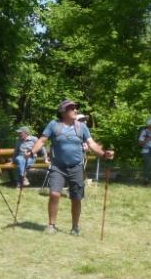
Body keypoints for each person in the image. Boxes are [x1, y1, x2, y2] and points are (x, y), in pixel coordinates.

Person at [30, 99, 114, 236]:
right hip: (58, 167)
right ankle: (51, 225)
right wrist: (31, 152)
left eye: (75, 108)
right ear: (63, 112)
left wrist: (104, 154)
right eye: (72, 108)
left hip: (76, 167)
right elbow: (42, 140)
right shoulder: (54, 125)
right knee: (54, 194)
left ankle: (75, 227)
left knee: (76, 197)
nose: (75, 110)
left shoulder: (82, 127)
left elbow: (92, 144)